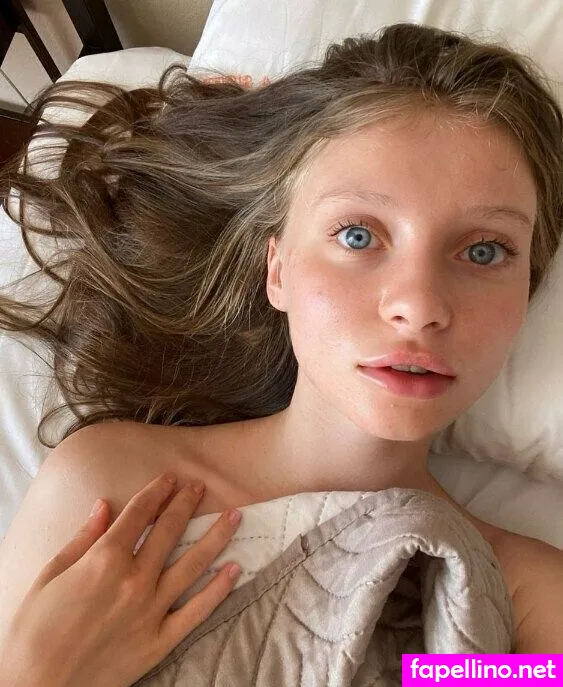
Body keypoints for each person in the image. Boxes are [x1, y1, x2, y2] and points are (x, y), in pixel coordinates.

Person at [0, 21, 562, 679]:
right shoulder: (114, 488)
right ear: (278, 270)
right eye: (357, 236)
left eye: (484, 251)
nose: (418, 306)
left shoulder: (523, 600)